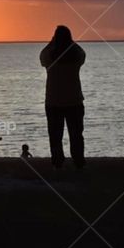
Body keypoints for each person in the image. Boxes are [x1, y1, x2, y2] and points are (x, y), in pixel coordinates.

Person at [40, 25, 86, 169]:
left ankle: (57, 161)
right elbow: (82, 53)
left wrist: (52, 42)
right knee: (76, 134)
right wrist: (71, 42)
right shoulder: (75, 57)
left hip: (53, 101)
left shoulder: (50, 58)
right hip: (74, 100)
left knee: (55, 135)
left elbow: (41, 56)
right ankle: (78, 160)